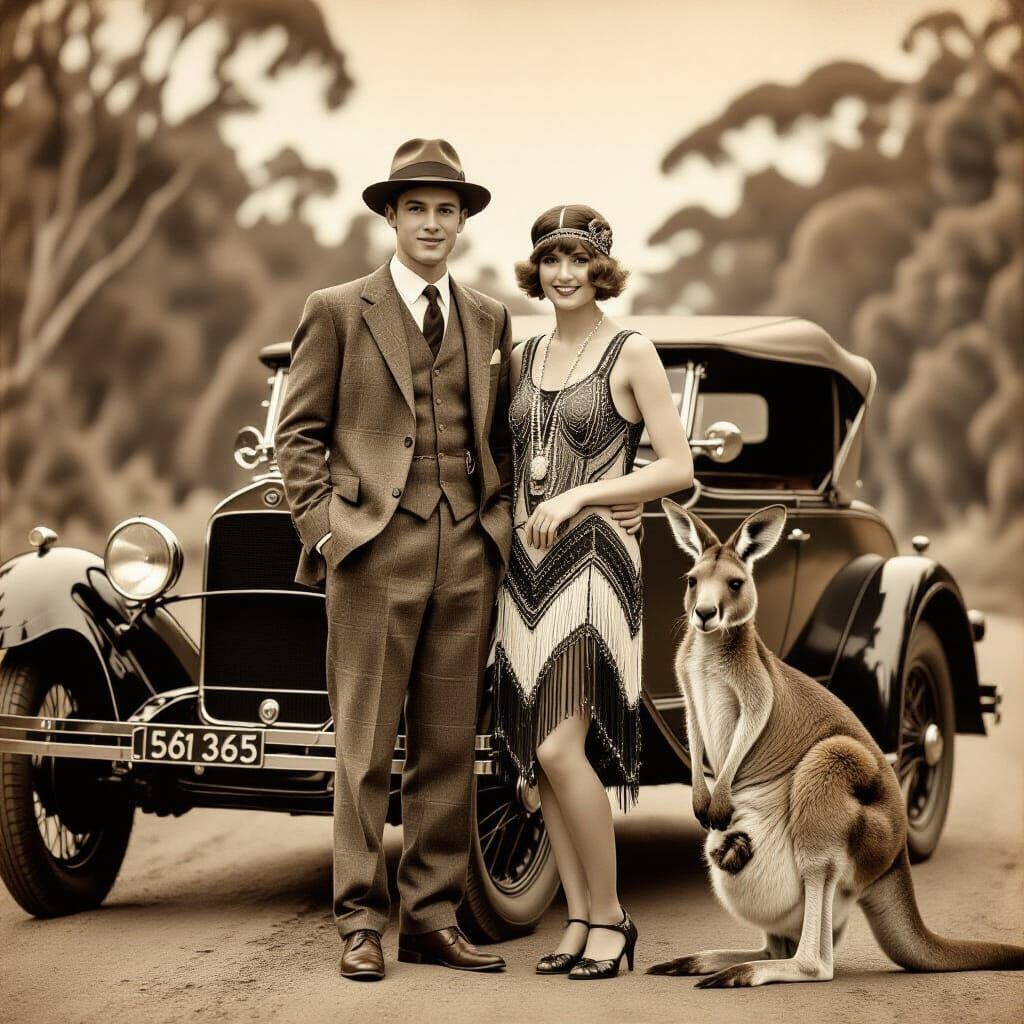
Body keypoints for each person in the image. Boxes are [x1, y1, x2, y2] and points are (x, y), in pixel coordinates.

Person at [274, 138, 516, 981]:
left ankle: (434, 917)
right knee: (366, 747)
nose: (432, 223)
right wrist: (326, 531)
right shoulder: (339, 307)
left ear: (462, 221)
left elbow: (503, 439)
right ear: (390, 215)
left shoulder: (488, 316)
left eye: (446, 209)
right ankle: (360, 923)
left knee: (450, 744)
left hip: (468, 554)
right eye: (416, 207)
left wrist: (500, 527)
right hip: (373, 551)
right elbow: (297, 436)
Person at [491, 204, 694, 980]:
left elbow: (678, 468)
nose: (565, 274)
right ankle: (576, 917)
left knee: (558, 746)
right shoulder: (523, 354)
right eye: (551, 260)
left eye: (579, 259)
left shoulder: (631, 350)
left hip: (597, 561)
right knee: (536, 761)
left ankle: (612, 917)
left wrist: (586, 495)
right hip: (524, 567)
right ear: (536, 270)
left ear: (601, 268)